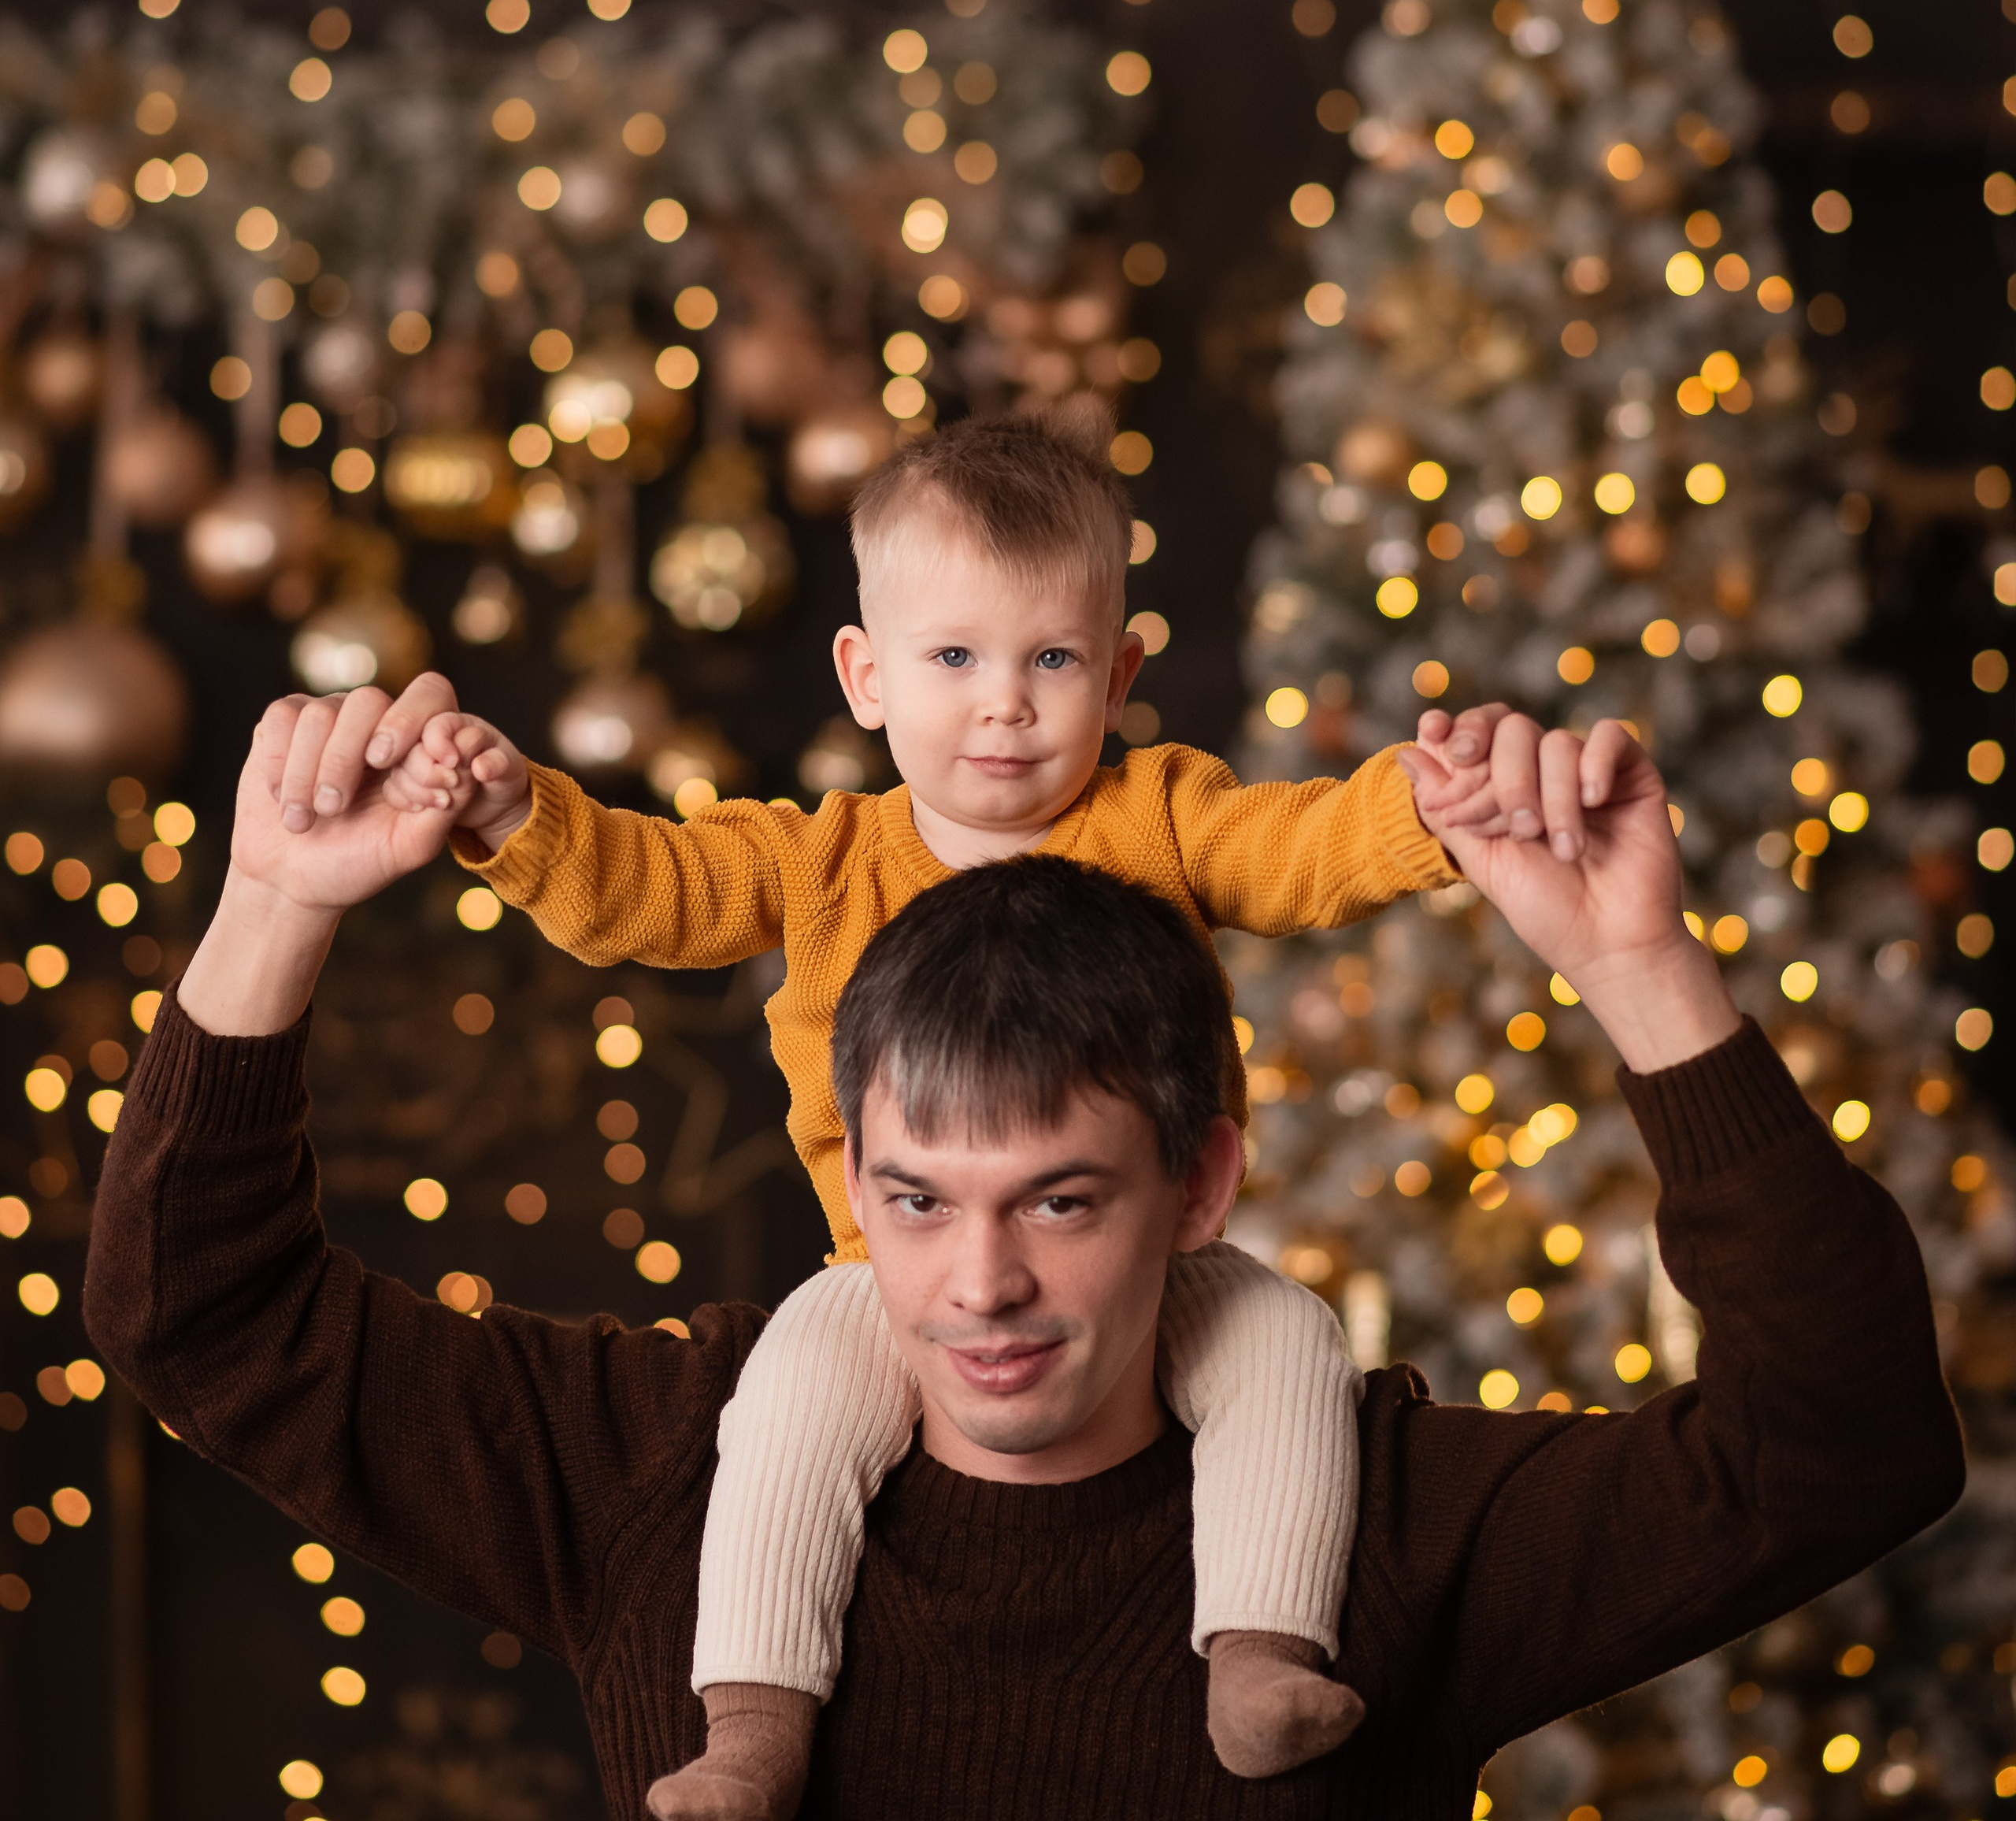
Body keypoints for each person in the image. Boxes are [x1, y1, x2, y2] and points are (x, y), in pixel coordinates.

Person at [87, 692, 1962, 1821]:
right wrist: (270, 901)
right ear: (852, 1169)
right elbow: (200, 1314)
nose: (976, 1285)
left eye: (1058, 1201)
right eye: (916, 1198)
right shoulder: (666, 1461)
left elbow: (1845, 1440)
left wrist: (1638, 964)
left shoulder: (1385, 1520)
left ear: (1201, 1180)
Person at [273, 414, 1524, 1813]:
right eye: (954, 660)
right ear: (865, 678)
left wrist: (1426, 809)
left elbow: (1301, 845)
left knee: (1286, 1344)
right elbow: (652, 890)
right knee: (784, 1419)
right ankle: (753, 1729)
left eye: (1053, 661)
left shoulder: (1164, 819)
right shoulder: (822, 861)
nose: (1007, 707)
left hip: (1135, 1261)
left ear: (1120, 676)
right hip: (891, 1278)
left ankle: (1258, 1657)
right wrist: (518, 820)